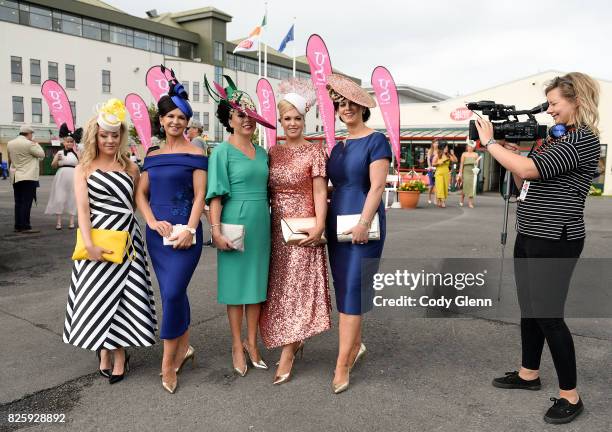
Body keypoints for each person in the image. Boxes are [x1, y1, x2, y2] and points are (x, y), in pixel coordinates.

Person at [475, 72, 601, 424]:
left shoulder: (583, 141)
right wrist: (512, 155)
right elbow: (525, 178)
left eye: (555, 103)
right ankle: (528, 373)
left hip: (556, 236)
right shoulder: (553, 139)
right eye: (547, 104)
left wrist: (492, 146)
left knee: (548, 314)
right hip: (530, 231)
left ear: (577, 100)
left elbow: (529, 169)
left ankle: (570, 396)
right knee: (530, 308)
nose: (550, 110)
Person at [62, 98, 157, 385]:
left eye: (115, 135)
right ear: (95, 136)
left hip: (127, 241)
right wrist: (89, 244)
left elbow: (137, 202)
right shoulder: (84, 167)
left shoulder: (130, 168)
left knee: (125, 299)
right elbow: (82, 209)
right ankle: (102, 349)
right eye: (104, 135)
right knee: (97, 297)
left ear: (121, 136)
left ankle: (120, 354)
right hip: (96, 239)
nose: (110, 140)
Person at [135, 73, 207, 395]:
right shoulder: (151, 155)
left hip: (186, 235)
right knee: (172, 294)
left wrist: (191, 229)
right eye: (171, 117)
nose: (176, 121)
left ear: (187, 122)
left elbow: (201, 196)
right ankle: (185, 348)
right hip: (157, 237)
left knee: (174, 293)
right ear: (161, 120)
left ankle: (167, 363)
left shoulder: (197, 153)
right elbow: (141, 195)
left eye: (182, 117)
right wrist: (150, 221)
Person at [259, 80, 331, 385]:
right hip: (277, 229)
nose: (292, 123)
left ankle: (288, 351)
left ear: (305, 120)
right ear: (280, 120)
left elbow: (319, 191)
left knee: (299, 289)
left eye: (297, 118)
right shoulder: (272, 152)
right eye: (287, 118)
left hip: (303, 228)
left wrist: (319, 225)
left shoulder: (314, 152)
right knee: (281, 289)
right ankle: (294, 338)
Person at [204, 75, 275, 377]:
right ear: (229, 119)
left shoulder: (262, 153)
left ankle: (252, 343)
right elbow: (215, 196)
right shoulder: (221, 151)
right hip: (234, 221)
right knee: (235, 289)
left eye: (250, 115)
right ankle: (236, 344)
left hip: (261, 222)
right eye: (240, 115)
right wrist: (215, 230)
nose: (247, 120)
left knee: (257, 288)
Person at [325, 74, 391, 394]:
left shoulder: (376, 140)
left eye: (351, 103)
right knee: (346, 289)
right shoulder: (338, 145)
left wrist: (365, 222)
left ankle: (342, 364)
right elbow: (329, 187)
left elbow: (377, 185)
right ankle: (356, 346)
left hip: (364, 223)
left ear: (363, 107)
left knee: (353, 287)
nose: (345, 108)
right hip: (336, 223)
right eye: (340, 104)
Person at [7, 125, 45, 233]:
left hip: (16, 176)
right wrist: (36, 143)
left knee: (18, 202)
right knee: (26, 202)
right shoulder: (30, 144)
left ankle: (18, 225)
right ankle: (25, 226)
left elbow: (11, 158)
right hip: (28, 176)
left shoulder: (10, 143)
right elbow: (42, 154)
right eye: (31, 134)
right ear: (29, 134)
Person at [45, 123, 82, 229]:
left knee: (73, 198)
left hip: (74, 176)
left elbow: (82, 166)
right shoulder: (60, 152)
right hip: (61, 176)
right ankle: (59, 222)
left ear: (73, 143)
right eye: (67, 142)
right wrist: (57, 159)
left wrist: (80, 158)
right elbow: (53, 165)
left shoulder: (77, 153)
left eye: (71, 142)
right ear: (64, 142)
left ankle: (71, 222)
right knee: (59, 198)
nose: (69, 144)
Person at [457, 141, 482, 208]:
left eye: (471, 146)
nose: (470, 148)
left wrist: (477, 162)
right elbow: (461, 164)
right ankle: (462, 199)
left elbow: (477, 165)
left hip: (473, 172)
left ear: (473, 147)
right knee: (465, 186)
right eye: (469, 146)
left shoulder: (476, 154)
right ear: (467, 147)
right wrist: (460, 173)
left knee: (472, 187)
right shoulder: (464, 154)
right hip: (466, 171)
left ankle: (470, 202)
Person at [432, 142, 451, 208]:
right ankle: (442, 201)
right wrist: (439, 163)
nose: (447, 149)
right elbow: (433, 164)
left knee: (445, 187)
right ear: (442, 148)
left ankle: (440, 201)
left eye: (447, 147)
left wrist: (453, 155)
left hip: (446, 173)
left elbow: (455, 160)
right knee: (440, 187)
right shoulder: (437, 155)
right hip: (439, 173)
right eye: (446, 147)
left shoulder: (448, 155)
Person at [426, 140, 438, 204]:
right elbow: (428, 160)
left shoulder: (439, 151)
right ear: (433, 144)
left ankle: (435, 199)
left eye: (437, 143)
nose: (436, 144)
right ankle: (429, 197)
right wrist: (430, 167)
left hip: (437, 169)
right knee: (431, 185)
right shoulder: (430, 151)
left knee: (436, 185)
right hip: (431, 170)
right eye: (435, 143)